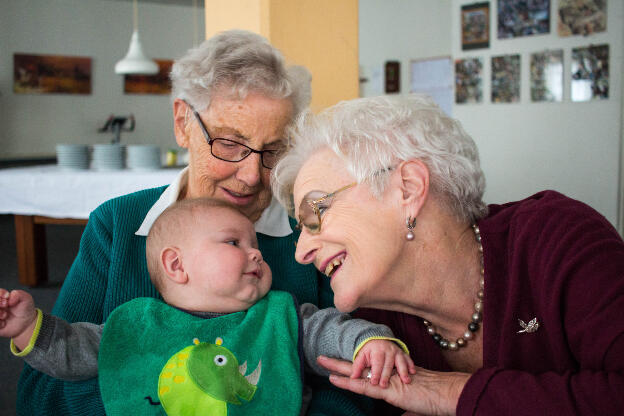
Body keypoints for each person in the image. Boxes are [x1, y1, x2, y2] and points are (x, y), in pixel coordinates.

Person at [17, 30, 368, 416]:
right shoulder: (117, 225)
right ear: (183, 123)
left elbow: (354, 381)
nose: (252, 175)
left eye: (273, 150)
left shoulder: (309, 231)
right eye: (230, 144)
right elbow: (42, 388)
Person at [271, 94, 624, 415]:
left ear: (408, 188)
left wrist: (451, 393)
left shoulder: (554, 238)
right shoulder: (375, 333)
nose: (302, 252)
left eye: (315, 213)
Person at [2, 198, 415, 415]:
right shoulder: (135, 326)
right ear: (177, 265)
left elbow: (333, 331)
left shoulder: (281, 316)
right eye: (234, 243)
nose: (257, 255)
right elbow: (72, 351)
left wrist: (369, 343)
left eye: (255, 245)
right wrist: (29, 327)